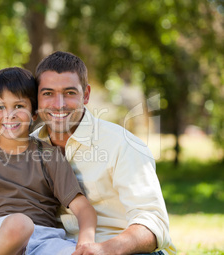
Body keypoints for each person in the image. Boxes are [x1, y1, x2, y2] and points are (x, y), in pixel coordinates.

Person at [31, 51, 176, 255]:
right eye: (48, 93)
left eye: (70, 93)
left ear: (86, 95)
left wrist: (104, 250)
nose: (59, 104)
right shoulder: (30, 146)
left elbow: (153, 224)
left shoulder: (122, 145)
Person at [0, 67, 97, 255]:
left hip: (43, 238)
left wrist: (85, 243)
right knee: (19, 224)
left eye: (19, 106)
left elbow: (84, 208)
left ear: (34, 113)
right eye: (0, 107)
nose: (9, 115)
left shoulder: (50, 156)